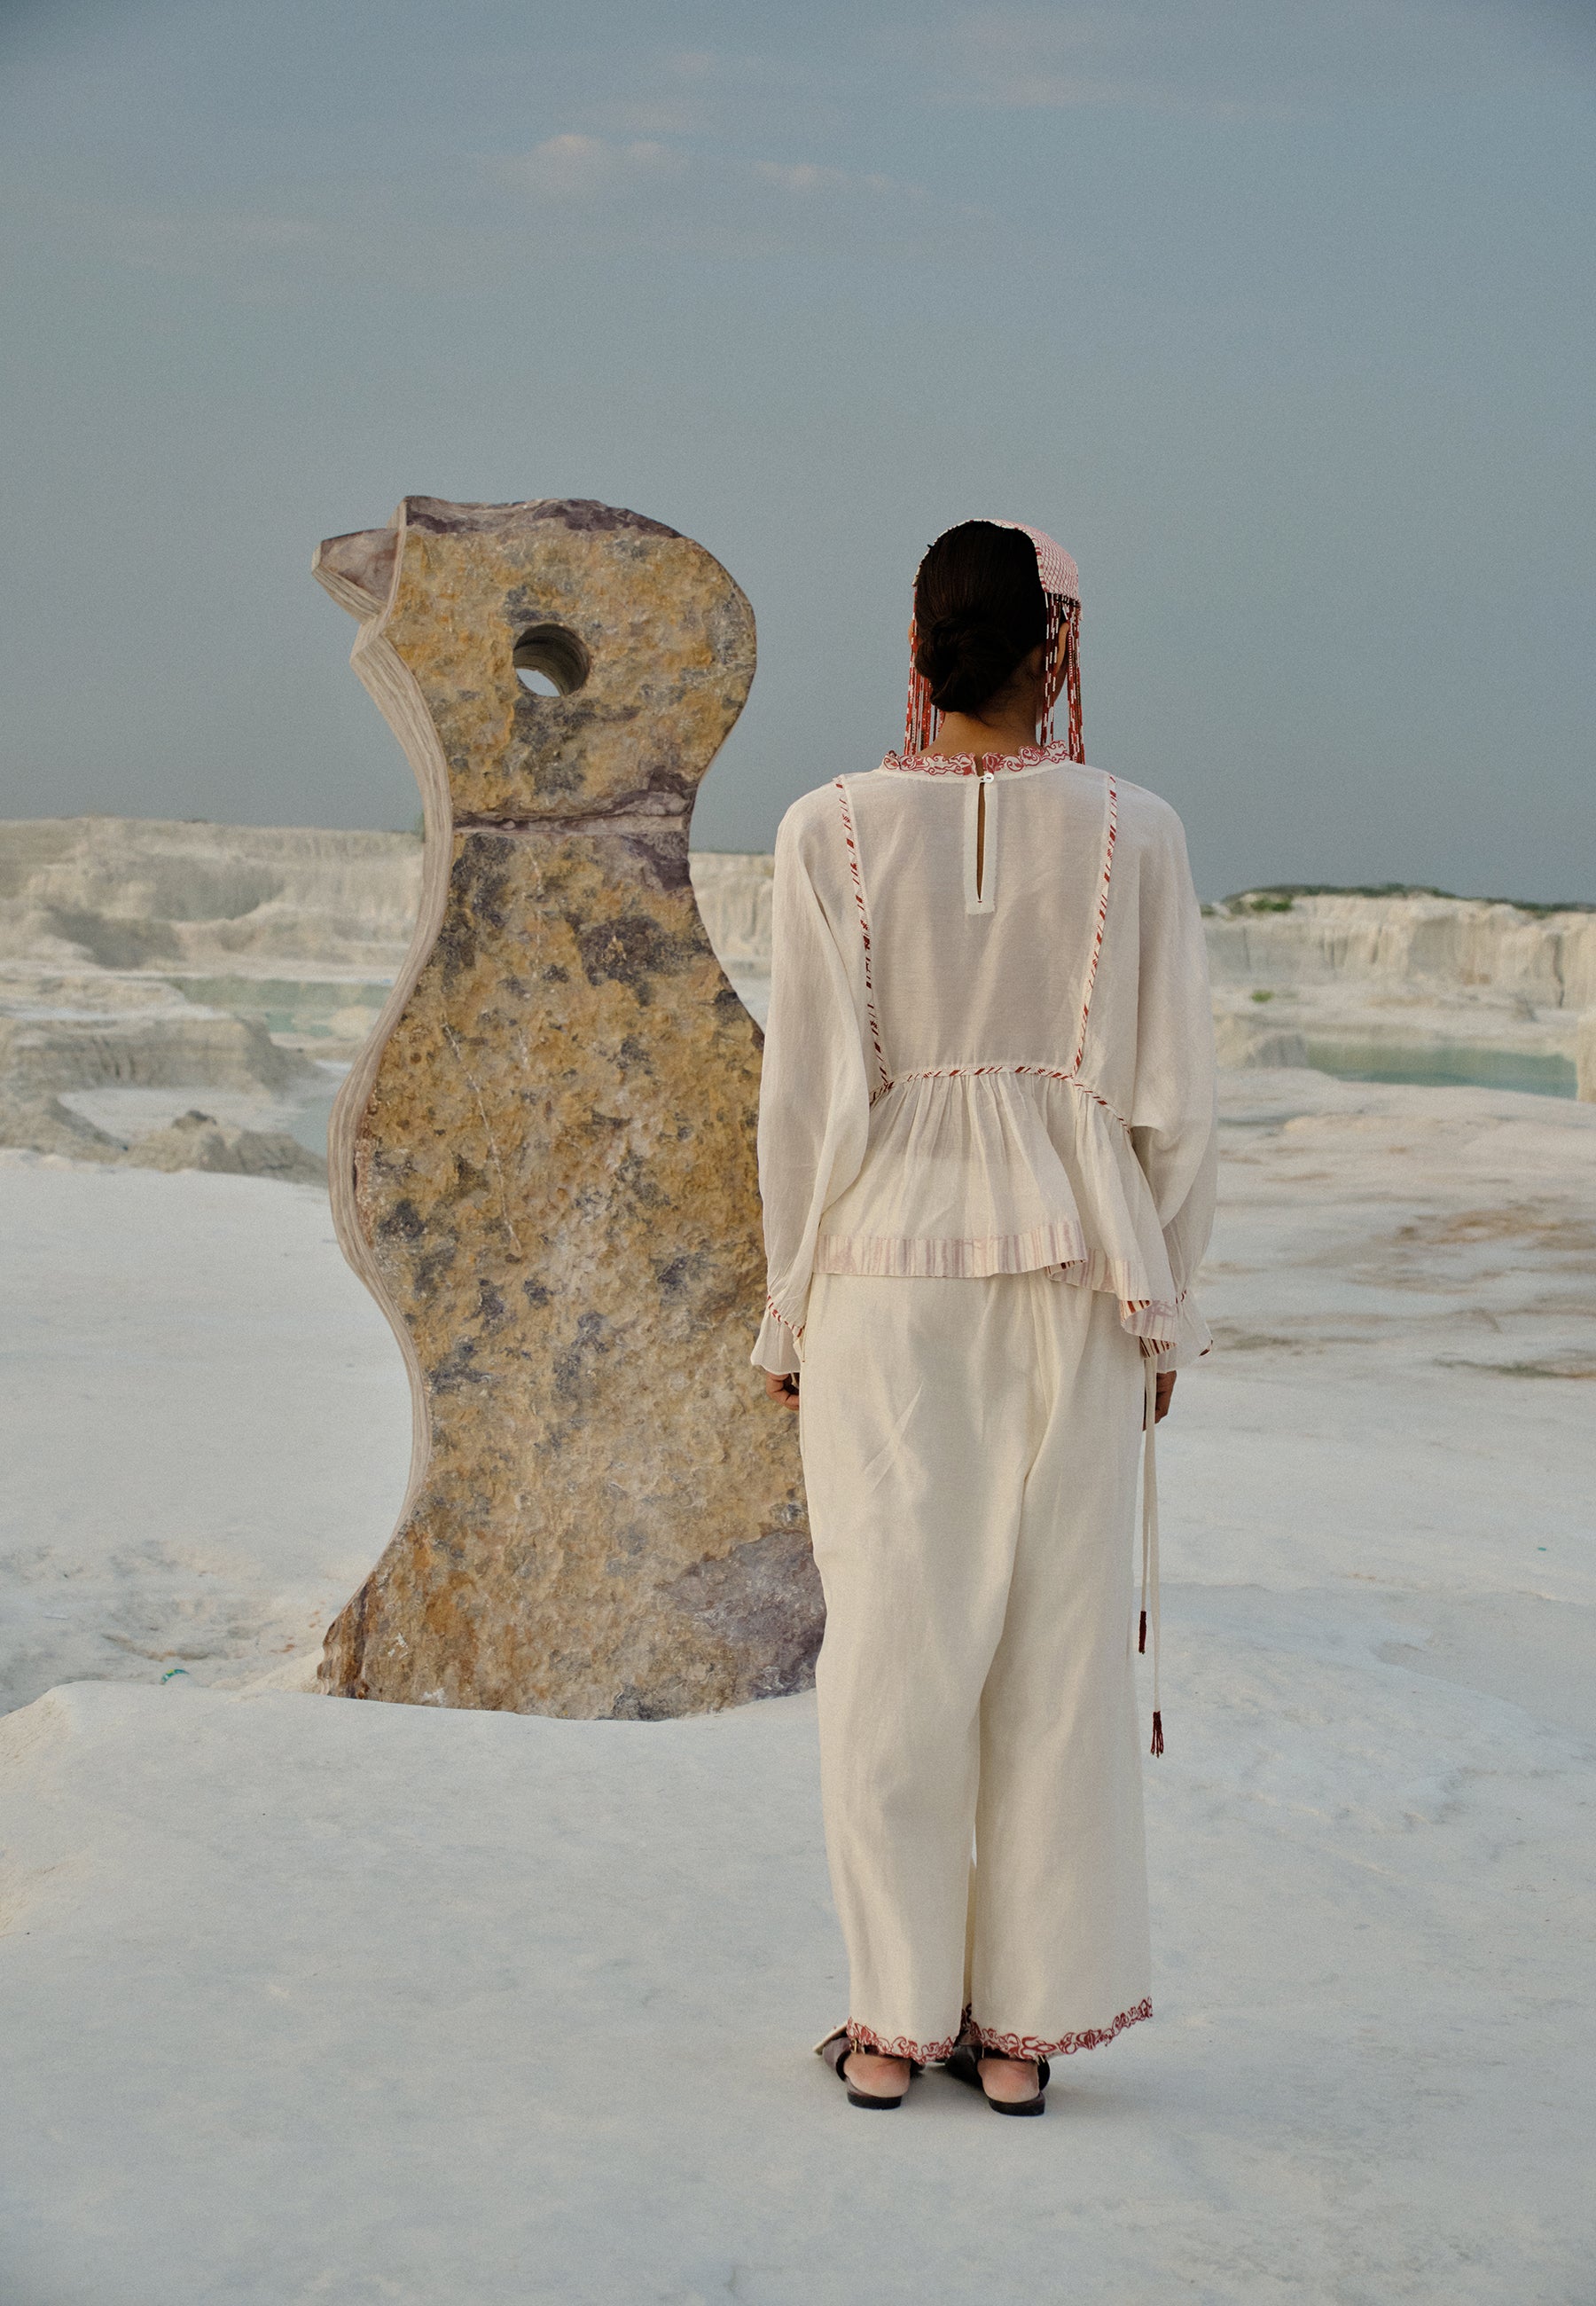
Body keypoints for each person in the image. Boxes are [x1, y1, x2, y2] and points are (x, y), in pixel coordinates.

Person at [754, 519, 1217, 2116]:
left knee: (894, 1646)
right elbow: (1177, 1109)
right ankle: (1022, 2031)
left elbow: (806, 1107)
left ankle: (894, 2024)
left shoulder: (823, 829)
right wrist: (1168, 1307)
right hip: (1083, 1276)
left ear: (917, 650)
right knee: (1061, 1652)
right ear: (1056, 650)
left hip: (884, 1278)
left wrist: (788, 1312)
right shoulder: (1139, 831)